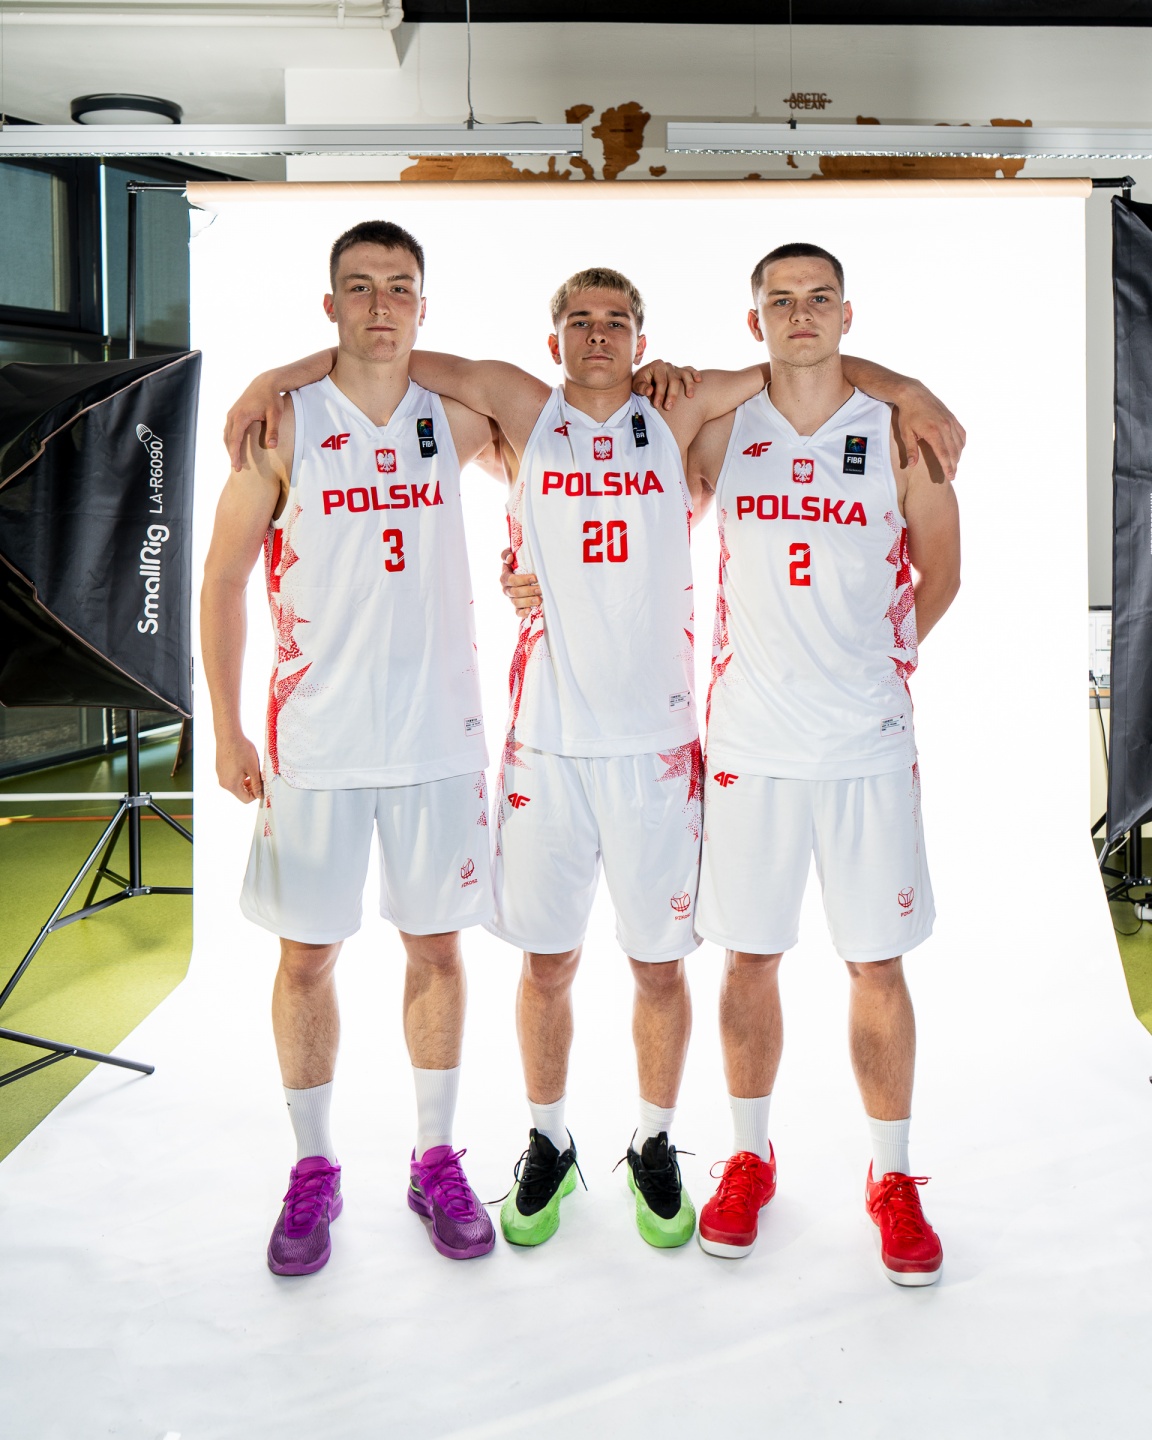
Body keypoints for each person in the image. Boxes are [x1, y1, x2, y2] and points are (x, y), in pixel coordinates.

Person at [226, 263, 964, 1255]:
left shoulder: (683, 412)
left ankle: (658, 1143)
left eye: (618, 320)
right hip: (547, 744)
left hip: (661, 748)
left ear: (644, 340)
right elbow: (384, 351)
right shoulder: (522, 412)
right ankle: (549, 1141)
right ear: (555, 340)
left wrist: (908, 389)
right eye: (581, 320)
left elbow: (800, 367)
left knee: (663, 969)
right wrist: (271, 377)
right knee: (547, 965)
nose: (600, 334)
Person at [200, 220, 503, 1275]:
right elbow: (223, 579)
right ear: (329, 305)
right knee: (307, 957)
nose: (382, 305)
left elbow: (547, 431)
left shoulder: (456, 419)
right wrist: (228, 724)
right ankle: (313, 1166)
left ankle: (434, 1156)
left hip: (437, 739)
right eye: (361, 288)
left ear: (424, 304)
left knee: (438, 950)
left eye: (400, 288)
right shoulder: (283, 425)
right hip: (317, 743)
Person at [687, 242, 961, 1285]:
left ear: (848, 314)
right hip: (750, 742)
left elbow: (944, 568)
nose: (800, 314)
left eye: (819, 298)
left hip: (863, 744)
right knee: (748, 959)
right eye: (780, 301)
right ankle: (749, 1158)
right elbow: (616, 494)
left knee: (876, 964)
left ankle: (892, 1176)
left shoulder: (899, 430)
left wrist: (877, 662)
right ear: (754, 320)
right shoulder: (722, 427)